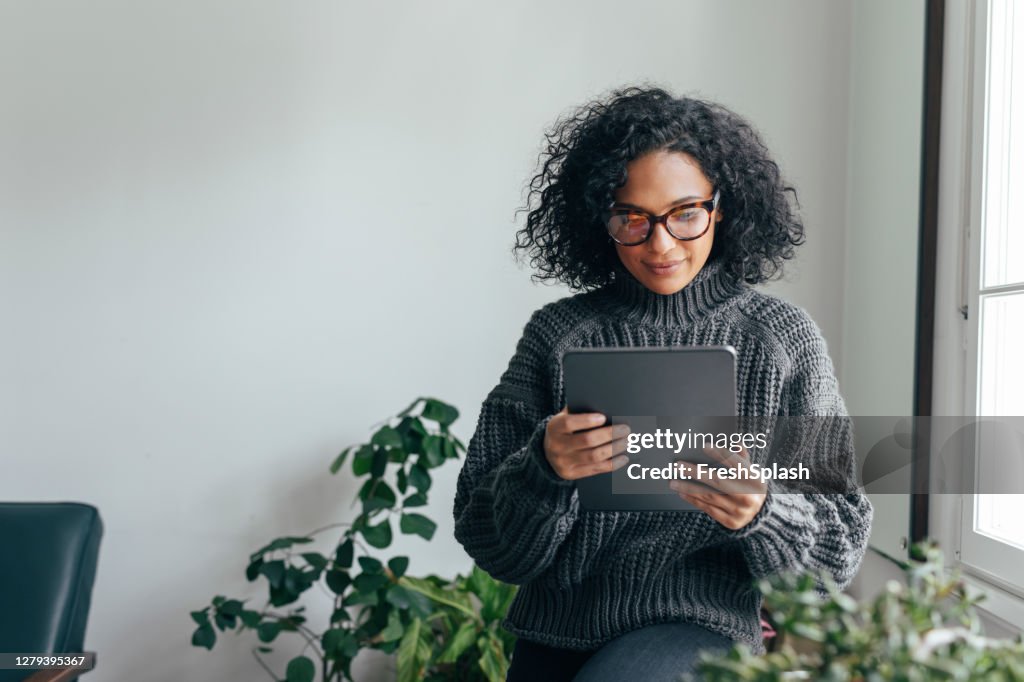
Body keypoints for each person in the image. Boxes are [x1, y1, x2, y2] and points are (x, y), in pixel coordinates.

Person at [452, 86, 873, 681]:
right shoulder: (557, 336)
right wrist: (544, 469)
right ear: (601, 218)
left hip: (699, 626)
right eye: (632, 218)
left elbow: (837, 553)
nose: (661, 244)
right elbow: (490, 542)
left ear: (720, 207)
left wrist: (764, 512)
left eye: (684, 213)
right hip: (555, 627)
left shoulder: (782, 341)